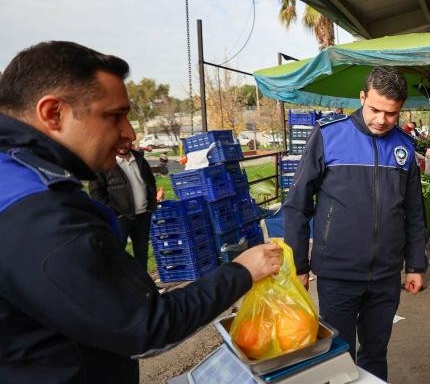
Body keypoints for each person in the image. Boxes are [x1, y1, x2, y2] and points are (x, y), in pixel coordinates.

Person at [0, 41, 282, 382]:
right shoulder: (40, 213)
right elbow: (145, 328)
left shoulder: (17, 176)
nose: (129, 133)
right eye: (114, 115)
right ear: (53, 113)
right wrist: (241, 272)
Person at [283, 66, 428, 380]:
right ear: (362, 97)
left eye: (391, 114)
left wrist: (416, 264)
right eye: (375, 109)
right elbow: (297, 204)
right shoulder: (327, 135)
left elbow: (415, 213)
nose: (381, 120)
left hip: (386, 276)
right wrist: (299, 265)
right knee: (338, 357)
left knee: (375, 354)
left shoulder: (404, 147)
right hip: (338, 275)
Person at [89, 141, 157, 268]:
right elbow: (96, 193)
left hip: (143, 215)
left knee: (142, 253)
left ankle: (143, 285)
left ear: (130, 142)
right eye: (117, 142)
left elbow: (150, 182)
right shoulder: (103, 163)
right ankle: (121, 286)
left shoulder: (139, 158)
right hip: (120, 218)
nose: (121, 145)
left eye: (125, 142)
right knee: (116, 254)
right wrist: (113, 213)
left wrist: (151, 205)